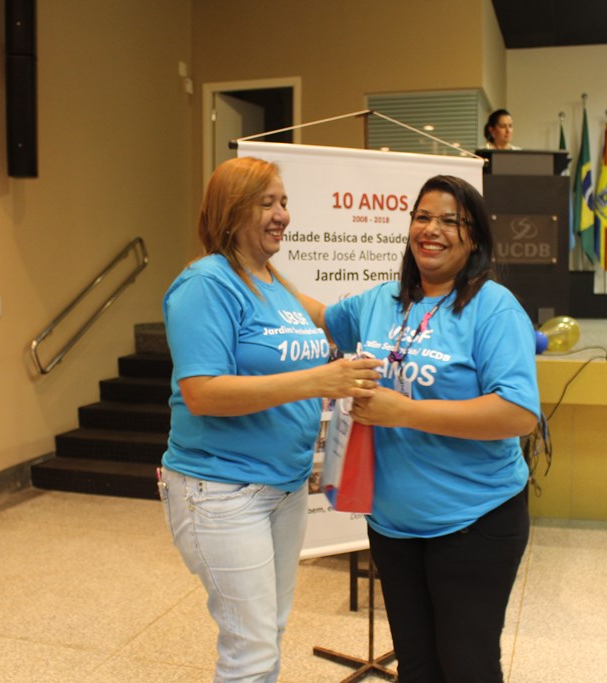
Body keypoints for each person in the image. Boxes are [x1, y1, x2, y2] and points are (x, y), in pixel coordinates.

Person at [301, 175, 540, 682]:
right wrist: (253, 271)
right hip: (392, 525)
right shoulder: (381, 301)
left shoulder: (493, 307)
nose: (432, 230)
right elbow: (321, 315)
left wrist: (403, 412)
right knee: (417, 667)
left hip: (474, 521)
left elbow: (518, 413)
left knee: (467, 667)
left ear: (473, 238)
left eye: (451, 221)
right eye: (423, 217)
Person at [159, 156, 382, 682]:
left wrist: (407, 302)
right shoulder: (206, 284)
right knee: (251, 650)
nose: (283, 214)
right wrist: (318, 381)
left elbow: (332, 321)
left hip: (283, 489)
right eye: (267, 203)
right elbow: (202, 393)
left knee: (267, 633)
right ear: (232, 210)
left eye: (284, 202)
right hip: (222, 490)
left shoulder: (274, 282)